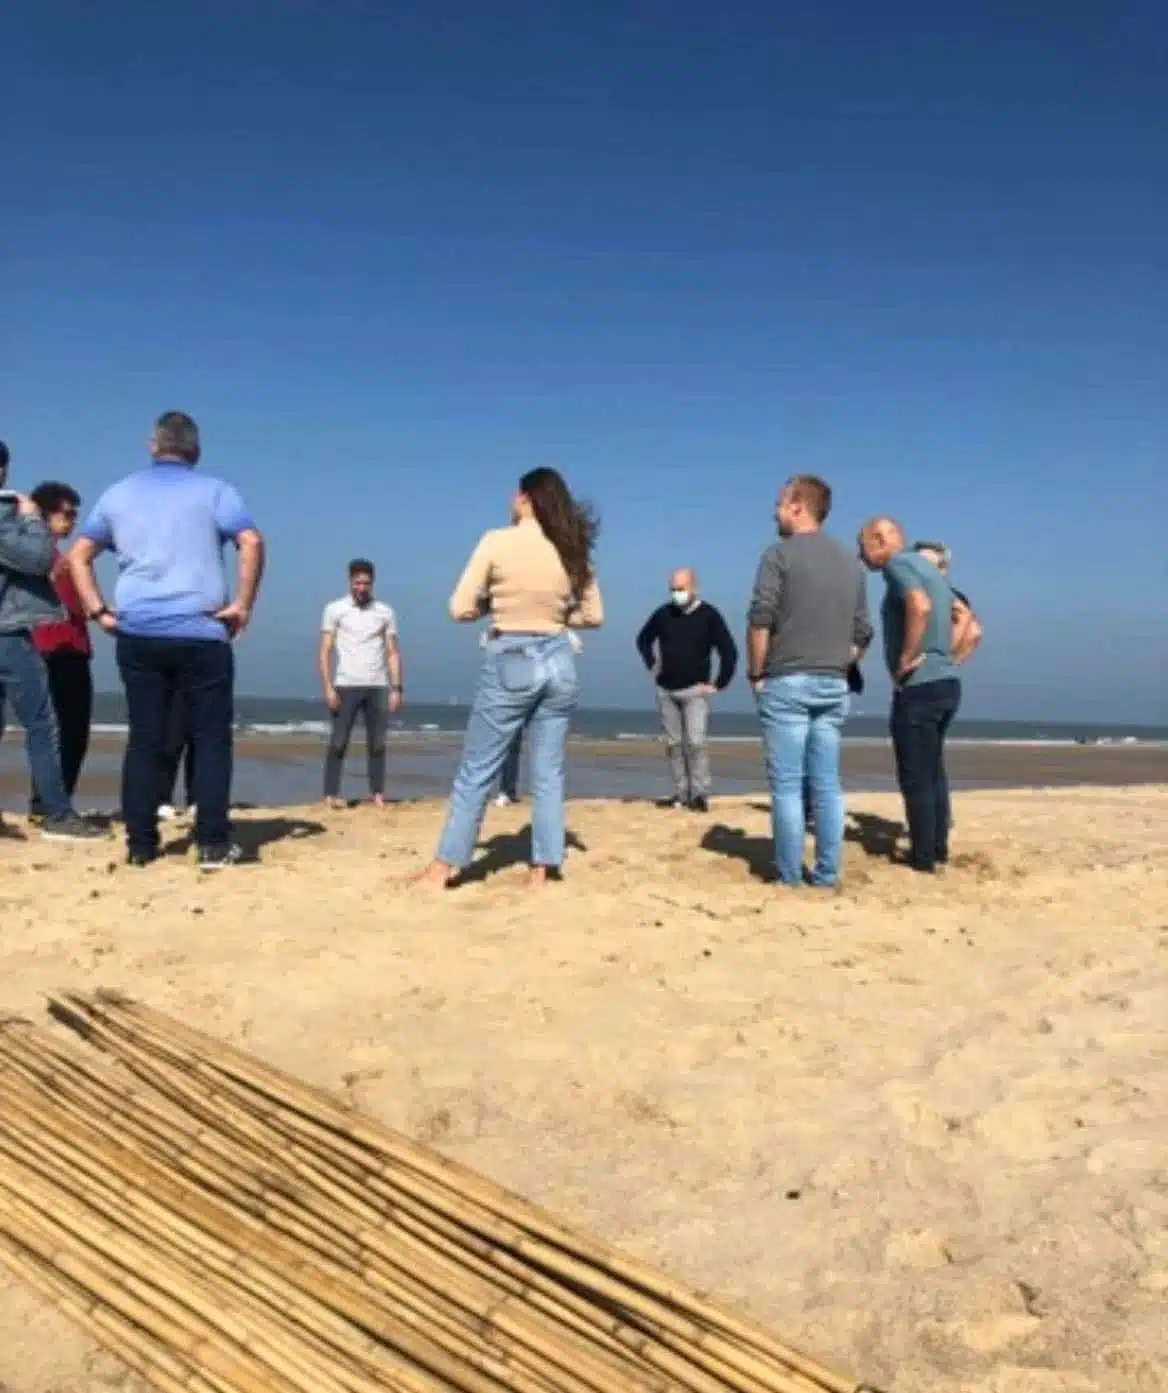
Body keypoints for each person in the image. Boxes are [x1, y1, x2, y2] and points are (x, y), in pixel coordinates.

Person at [70, 411, 265, 869]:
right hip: (200, 630)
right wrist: (243, 604)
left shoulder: (119, 493)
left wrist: (98, 611)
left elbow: (78, 556)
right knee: (211, 738)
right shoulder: (215, 490)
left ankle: (141, 844)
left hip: (139, 630)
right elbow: (252, 542)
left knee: (145, 738)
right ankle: (212, 843)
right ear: (195, 450)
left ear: (153, 446)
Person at [417, 466, 603, 889]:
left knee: (478, 769)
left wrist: (493, 607)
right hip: (560, 659)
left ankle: (444, 865)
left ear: (525, 498)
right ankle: (543, 867)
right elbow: (594, 615)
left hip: (513, 656)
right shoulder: (572, 548)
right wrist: (557, 617)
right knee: (548, 771)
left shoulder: (497, 541)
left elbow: (459, 607)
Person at [746, 475, 872, 888]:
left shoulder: (777, 555)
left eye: (780, 503)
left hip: (788, 679)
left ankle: (789, 876)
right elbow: (862, 633)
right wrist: (836, 661)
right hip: (832, 682)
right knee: (827, 785)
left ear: (798, 506)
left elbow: (760, 619)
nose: (775, 512)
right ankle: (827, 873)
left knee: (787, 786)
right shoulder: (850, 562)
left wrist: (756, 673)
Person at [0, 451, 101, 840]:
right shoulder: (15, 521)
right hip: (18, 638)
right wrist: (30, 518)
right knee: (44, 726)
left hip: (37, 638)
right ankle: (55, 813)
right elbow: (38, 559)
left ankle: (53, 808)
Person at [859, 516, 960, 873]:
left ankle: (923, 856)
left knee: (916, 775)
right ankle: (937, 848)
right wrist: (948, 655)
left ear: (879, 540)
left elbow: (920, 605)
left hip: (920, 686)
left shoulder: (899, 565)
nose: (861, 557)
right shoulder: (930, 569)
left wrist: (906, 657)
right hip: (946, 683)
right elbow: (963, 619)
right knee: (933, 771)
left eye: (862, 547)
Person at [635, 568, 738, 812]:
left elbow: (729, 651)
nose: (676, 594)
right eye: (672, 589)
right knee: (673, 744)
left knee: (696, 742)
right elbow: (643, 639)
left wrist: (719, 683)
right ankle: (681, 793)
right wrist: (652, 663)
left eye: (680, 589)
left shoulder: (710, 615)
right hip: (666, 689)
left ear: (694, 588)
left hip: (695, 690)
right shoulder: (663, 613)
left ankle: (700, 794)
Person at [28, 482, 95, 817]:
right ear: (45, 515)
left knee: (58, 730)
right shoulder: (46, 559)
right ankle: (51, 802)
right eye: (66, 514)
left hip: (64, 646)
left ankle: (48, 801)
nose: (71, 522)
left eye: (73, 515)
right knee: (68, 730)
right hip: (56, 648)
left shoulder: (56, 558)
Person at [319, 559, 403, 808]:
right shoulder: (335, 609)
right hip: (345, 683)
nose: (362, 588)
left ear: (372, 583)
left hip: (377, 685)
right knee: (338, 741)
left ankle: (377, 793)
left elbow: (392, 652)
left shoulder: (385, 612)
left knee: (377, 743)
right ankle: (330, 794)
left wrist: (396, 688)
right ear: (350, 582)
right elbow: (325, 650)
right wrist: (327, 686)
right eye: (357, 583)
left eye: (366, 583)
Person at [913, 540, 983, 663]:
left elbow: (975, 631)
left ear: (943, 569)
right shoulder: (915, 594)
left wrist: (949, 658)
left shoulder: (949, 596)